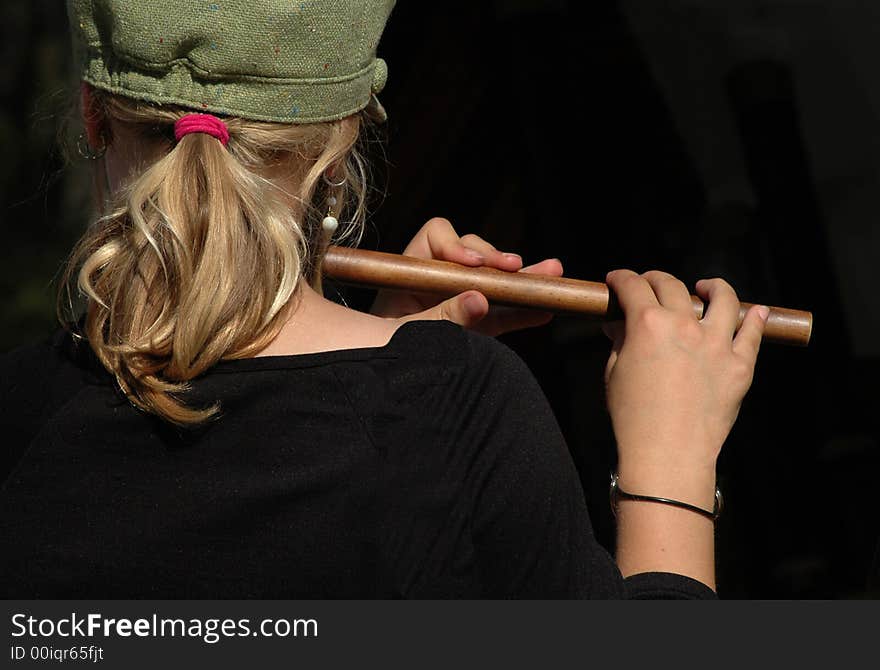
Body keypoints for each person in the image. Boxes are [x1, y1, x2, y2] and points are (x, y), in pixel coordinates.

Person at [0, 0, 769, 598]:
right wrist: (672, 464)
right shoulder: (462, 410)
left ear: (93, 114)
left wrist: (385, 360)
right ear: (342, 146)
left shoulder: (21, 410)